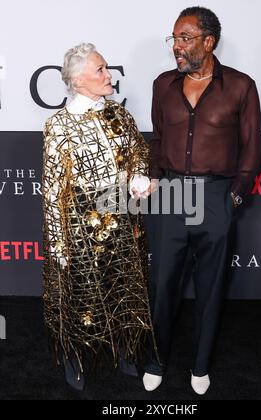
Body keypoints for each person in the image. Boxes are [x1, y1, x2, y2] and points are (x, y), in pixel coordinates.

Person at [143, 6, 261, 395]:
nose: (176, 46)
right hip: (171, 195)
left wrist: (234, 202)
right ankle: (156, 360)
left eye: (185, 38)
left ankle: (200, 365)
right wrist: (156, 185)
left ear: (208, 42)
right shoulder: (162, 84)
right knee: (162, 286)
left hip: (215, 195)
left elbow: (251, 152)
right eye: (174, 38)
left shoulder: (241, 86)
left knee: (210, 289)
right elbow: (158, 141)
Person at [42, 43, 156, 390]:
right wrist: (59, 242)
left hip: (122, 218)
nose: (110, 76)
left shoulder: (119, 115)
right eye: (101, 70)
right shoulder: (59, 125)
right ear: (78, 80)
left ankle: (124, 348)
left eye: (107, 68)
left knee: (123, 285)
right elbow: (51, 189)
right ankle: (74, 354)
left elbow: (138, 150)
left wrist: (137, 176)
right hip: (80, 223)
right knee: (82, 294)